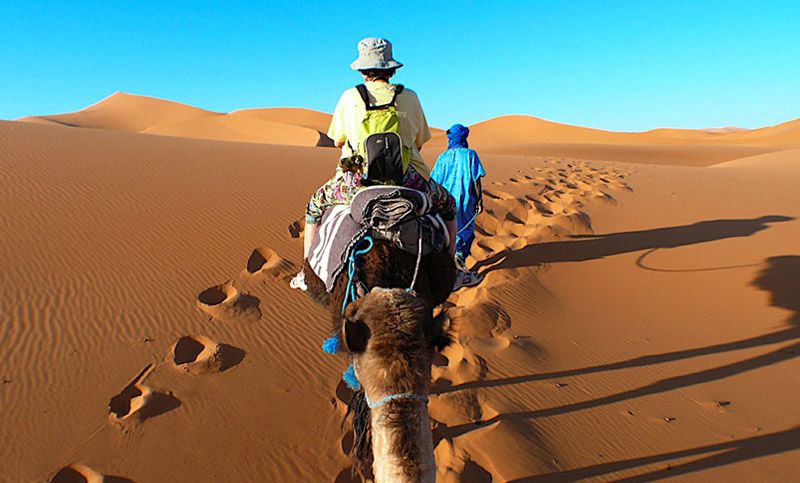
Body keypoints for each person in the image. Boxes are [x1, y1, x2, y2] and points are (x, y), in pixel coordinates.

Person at [290, 37, 457, 290]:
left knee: (314, 208)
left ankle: (306, 271)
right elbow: (419, 141)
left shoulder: (349, 97)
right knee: (449, 206)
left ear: (362, 68)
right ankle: (453, 269)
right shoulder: (410, 97)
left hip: (356, 183)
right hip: (408, 180)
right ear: (391, 68)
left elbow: (337, 141)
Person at [431, 124, 486, 289]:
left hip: (445, 201)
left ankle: (451, 266)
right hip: (465, 198)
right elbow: (476, 180)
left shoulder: (442, 158)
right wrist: (479, 200)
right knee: (465, 230)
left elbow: (434, 181)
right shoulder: (470, 155)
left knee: (448, 231)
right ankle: (459, 261)